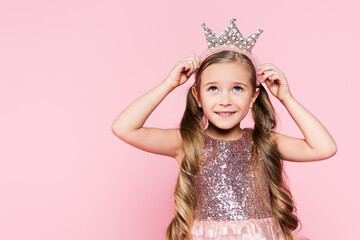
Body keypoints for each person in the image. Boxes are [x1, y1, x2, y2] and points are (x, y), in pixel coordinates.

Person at [111, 18, 337, 240]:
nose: (225, 100)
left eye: (237, 89)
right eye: (213, 89)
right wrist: (168, 84)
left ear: (253, 96)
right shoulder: (187, 143)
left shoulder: (264, 142)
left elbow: (324, 148)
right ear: (197, 96)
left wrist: (286, 98)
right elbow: (124, 128)